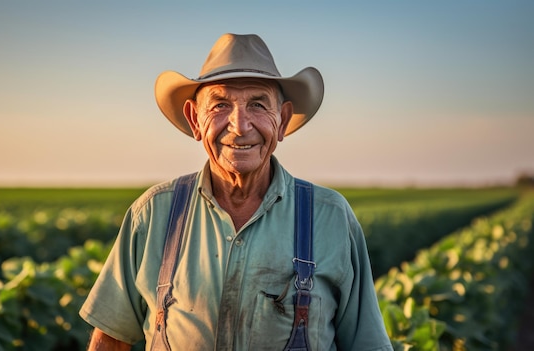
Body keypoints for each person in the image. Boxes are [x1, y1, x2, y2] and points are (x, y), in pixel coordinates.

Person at [80, 33, 393, 351]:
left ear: (282, 120)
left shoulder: (329, 217)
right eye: (220, 105)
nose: (240, 125)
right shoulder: (152, 213)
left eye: (257, 105)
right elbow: (111, 340)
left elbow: (366, 344)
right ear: (195, 120)